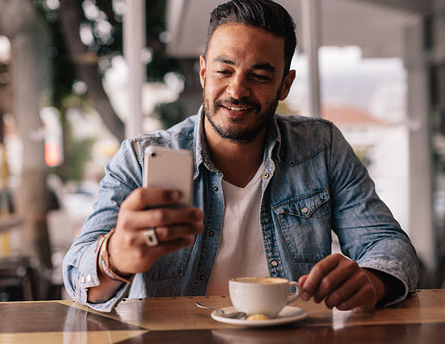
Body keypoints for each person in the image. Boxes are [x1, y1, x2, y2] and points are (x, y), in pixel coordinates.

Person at [63, 0, 418, 313]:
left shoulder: (321, 146)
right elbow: (77, 278)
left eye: (259, 76)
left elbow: (387, 244)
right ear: (203, 72)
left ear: (285, 85)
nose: (237, 90)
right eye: (224, 70)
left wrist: (373, 280)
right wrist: (115, 259)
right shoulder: (139, 159)